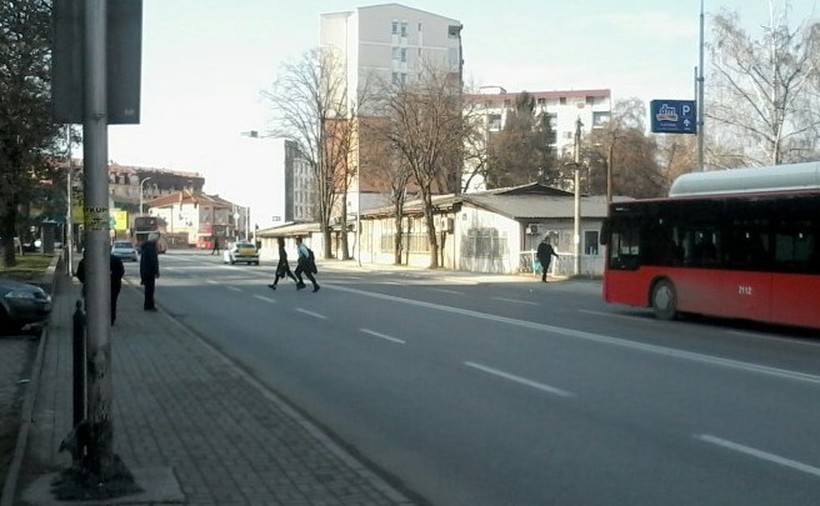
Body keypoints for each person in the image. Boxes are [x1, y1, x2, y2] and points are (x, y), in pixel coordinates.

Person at [75, 252, 125, 325]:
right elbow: (121, 272)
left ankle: (92, 318)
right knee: (111, 302)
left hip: (94, 285)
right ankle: (110, 319)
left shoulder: (84, 262)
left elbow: (80, 275)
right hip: (113, 285)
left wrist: (86, 281)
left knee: (91, 301)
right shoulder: (115, 259)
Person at [140, 234, 160, 310]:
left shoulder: (147, 247)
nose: (157, 242)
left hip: (146, 272)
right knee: (150, 290)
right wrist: (156, 271)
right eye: (157, 240)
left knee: (148, 290)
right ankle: (149, 306)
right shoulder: (150, 248)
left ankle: (148, 305)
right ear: (154, 240)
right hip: (149, 273)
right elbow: (152, 261)